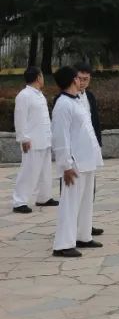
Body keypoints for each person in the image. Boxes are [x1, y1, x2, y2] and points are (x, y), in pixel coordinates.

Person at [51, 66, 103, 257]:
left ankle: (83, 235)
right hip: (75, 163)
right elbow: (60, 137)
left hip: (87, 159)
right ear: (73, 80)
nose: (80, 80)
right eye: (77, 77)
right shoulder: (63, 104)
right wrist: (66, 165)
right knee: (70, 203)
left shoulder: (77, 100)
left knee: (86, 201)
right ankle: (63, 244)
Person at [12, 66, 57, 213]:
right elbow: (20, 119)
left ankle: (44, 197)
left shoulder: (39, 95)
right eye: (42, 75)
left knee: (45, 171)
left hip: (44, 139)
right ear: (38, 77)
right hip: (32, 140)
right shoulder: (24, 95)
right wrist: (23, 139)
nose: (43, 78)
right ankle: (19, 201)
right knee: (28, 171)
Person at [74, 63, 104, 237]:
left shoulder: (90, 96)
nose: (83, 82)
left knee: (89, 190)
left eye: (86, 79)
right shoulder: (67, 98)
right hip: (76, 152)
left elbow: (95, 122)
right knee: (75, 192)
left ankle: (86, 225)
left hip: (90, 149)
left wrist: (98, 144)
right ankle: (73, 227)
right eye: (80, 78)